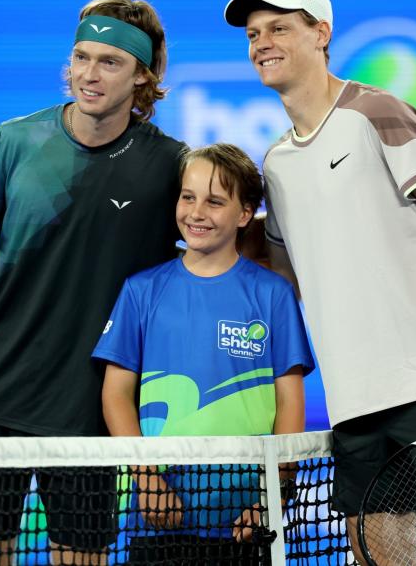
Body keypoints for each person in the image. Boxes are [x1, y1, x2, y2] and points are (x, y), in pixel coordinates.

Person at [224, 0, 416, 565]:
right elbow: (290, 283)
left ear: (320, 34)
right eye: (254, 34)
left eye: (279, 28)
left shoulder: (375, 112)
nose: (262, 43)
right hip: (352, 405)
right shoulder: (275, 163)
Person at [0, 0, 186, 566]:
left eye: (109, 62)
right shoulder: (15, 141)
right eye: (81, 56)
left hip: (93, 411)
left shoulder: (172, 166)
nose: (88, 74)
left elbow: (215, 256)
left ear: (143, 76)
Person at [93, 143, 315, 565]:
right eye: (188, 197)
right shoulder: (141, 291)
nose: (196, 213)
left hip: (247, 521)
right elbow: (116, 395)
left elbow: (290, 403)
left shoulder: (273, 295)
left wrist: (274, 495)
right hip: (157, 518)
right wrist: (146, 480)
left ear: (245, 214)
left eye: (215, 202)